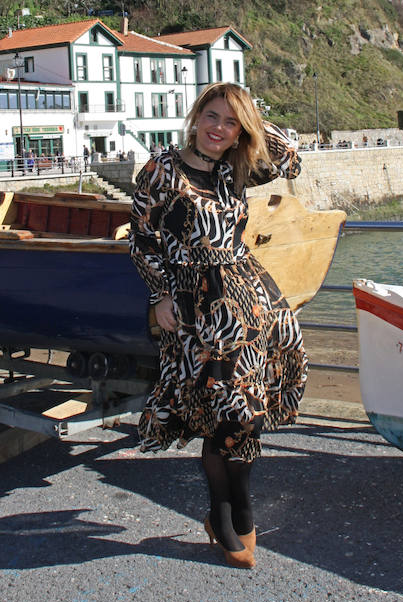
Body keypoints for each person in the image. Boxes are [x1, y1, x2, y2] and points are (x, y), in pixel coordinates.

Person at [129, 82, 305, 569]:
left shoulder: (236, 166)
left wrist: (250, 119)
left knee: (245, 412)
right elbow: (141, 240)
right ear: (195, 117)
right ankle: (224, 513)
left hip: (246, 298)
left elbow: (290, 156)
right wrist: (160, 293)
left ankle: (237, 504)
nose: (218, 129)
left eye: (230, 122)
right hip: (196, 309)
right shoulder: (162, 169)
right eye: (211, 116)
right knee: (223, 409)